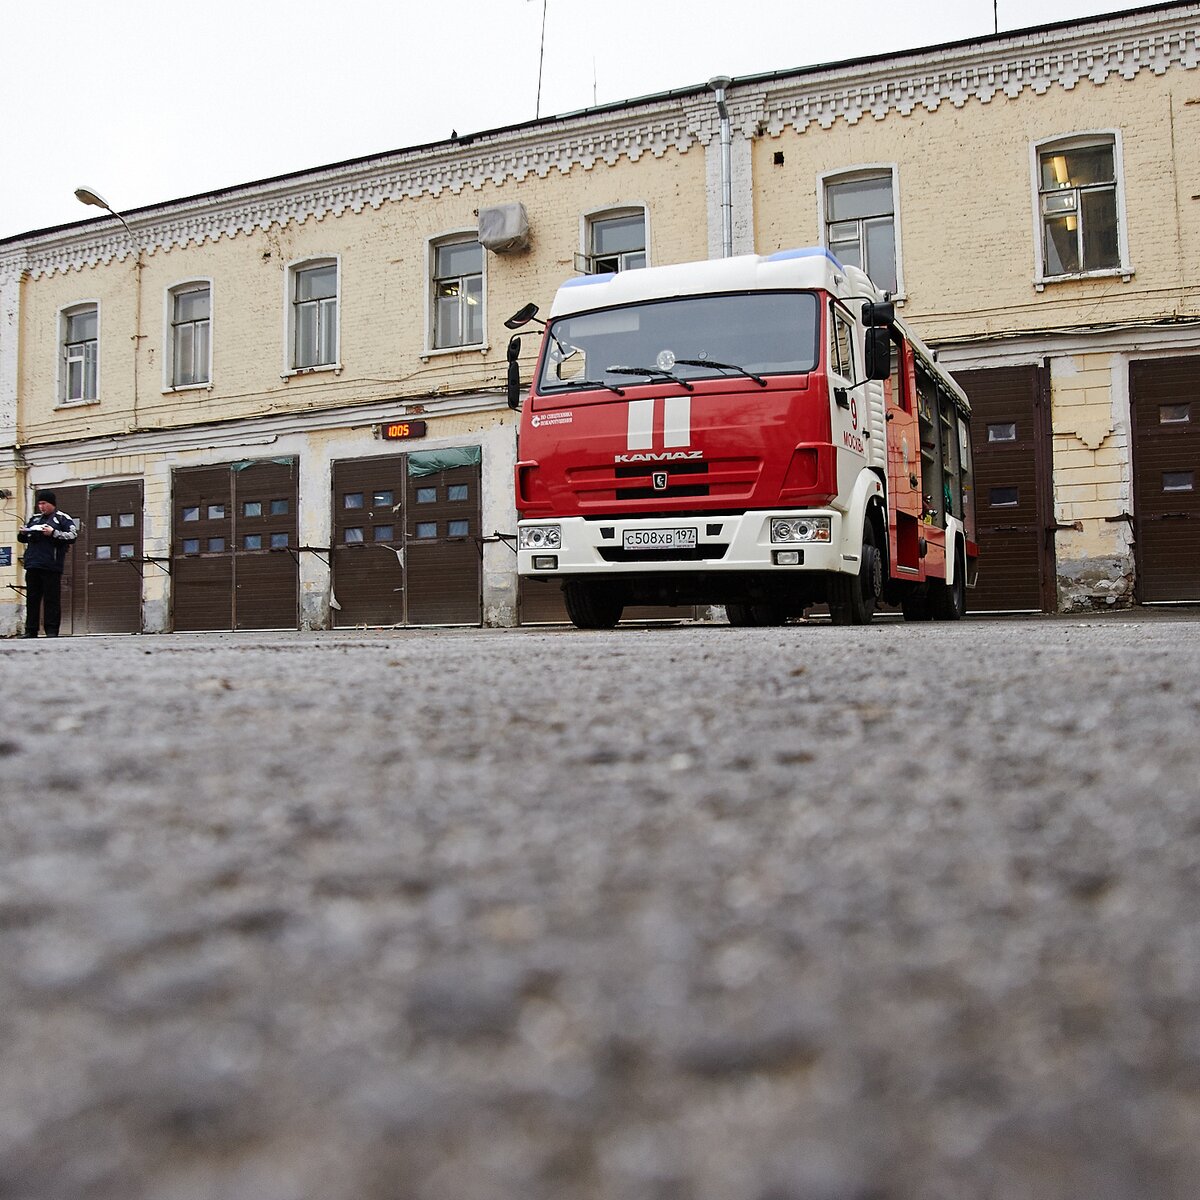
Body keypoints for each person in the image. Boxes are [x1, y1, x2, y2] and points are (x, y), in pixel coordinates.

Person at [17, 490, 77, 638]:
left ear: (52, 504)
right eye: (39, 503)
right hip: (32, 564)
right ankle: (31, 630)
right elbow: (23, 538)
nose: (41, 507)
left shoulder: (62, 518)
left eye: (44, 503)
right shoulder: (35, 519)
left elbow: (73, 535)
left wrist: (53, 533)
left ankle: (51, 630)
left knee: (51, 598)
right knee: (32, 598)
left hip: (51, 565)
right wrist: (23, 533)